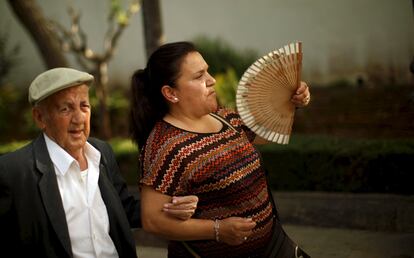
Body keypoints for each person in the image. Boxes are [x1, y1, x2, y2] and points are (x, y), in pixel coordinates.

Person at [129, 41, 311, 257]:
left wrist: (291, 103)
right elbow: (152, 220)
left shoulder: (223, 117)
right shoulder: (164, 146)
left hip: (274, 247)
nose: (211, 80)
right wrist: (217, 230)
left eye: (207, 71)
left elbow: (263, 134)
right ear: (170, 93)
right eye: (199, 76)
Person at [0, 67, 198, 258]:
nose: (79, 118)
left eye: (84, 106)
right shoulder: (13, 171)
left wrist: (171, 205)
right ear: (40, 117)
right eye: (65, 109)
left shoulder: (102, 152)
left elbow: (125, 209)